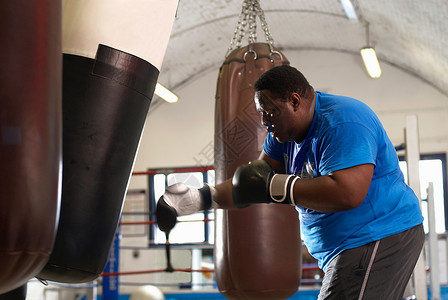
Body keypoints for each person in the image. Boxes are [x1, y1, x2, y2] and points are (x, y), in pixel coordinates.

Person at [157, 65, 424, 299]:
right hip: (346, 247)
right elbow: (251, 184)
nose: (264, 122)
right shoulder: (281, 136)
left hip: (377, 235)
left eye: (270, 112)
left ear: (294, 101)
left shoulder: (343, 121)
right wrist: (198, 198)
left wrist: (280, 187)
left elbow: (348, 193)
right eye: (261, 113)